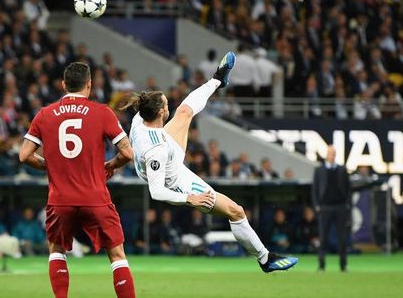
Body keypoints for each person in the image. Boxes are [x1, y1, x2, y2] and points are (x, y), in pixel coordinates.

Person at [121, 51, 297, 273]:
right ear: (159, 113)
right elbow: (157, 192)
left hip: (164, 151)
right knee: (236, 211)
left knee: (184, 112)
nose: (168, 107)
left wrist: (114, 164)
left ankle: (217, 79)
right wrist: (190, 199)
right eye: (166, 105)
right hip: (174, 180)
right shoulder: (157, 150)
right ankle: (265, 259)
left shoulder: (140, 119)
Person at [19, 62, 136, 298]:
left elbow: (24, 155)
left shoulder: (45, 114)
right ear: (89, 84)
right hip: (96, 197)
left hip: (60, 199)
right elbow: (127, 153)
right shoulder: (102, 112)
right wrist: (109, 166)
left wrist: (51, 166)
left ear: (64, 85)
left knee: (56, 250)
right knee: (117, 256)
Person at [312, 146, 351, 272]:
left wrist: (347, 205)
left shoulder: (342, 169)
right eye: (329, 153)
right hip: (325, 207)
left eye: (333, 153)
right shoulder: (319, 170)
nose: (331, 156)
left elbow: (348, 188)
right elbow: (315, 189)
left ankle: (343, 265)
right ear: (326, 155)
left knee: (342, 238)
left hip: (340, 207)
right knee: (323, 238)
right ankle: (321, 265)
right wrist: (317, 205)